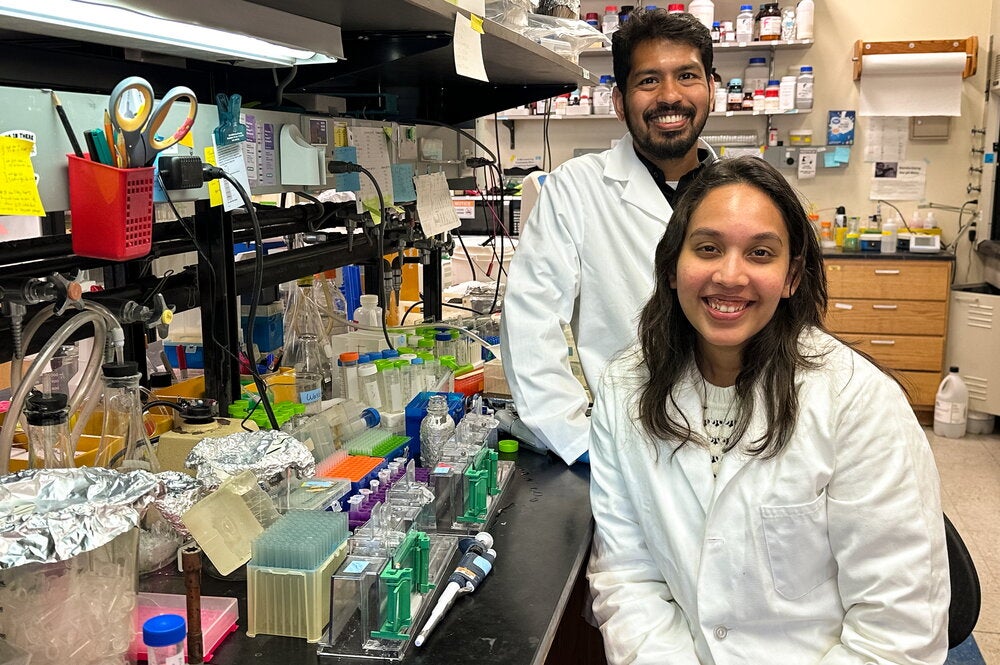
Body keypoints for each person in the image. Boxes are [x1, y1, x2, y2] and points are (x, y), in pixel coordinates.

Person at [587, 156, 950, 664]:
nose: (730, 275)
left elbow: (898, 629)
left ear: (791, 276)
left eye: (760, 253)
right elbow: (627, 575)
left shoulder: (858, 401)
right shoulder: (625, 387)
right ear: (671, 267)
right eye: (708, 248)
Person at [500, 9, 717, 465]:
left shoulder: (747, 194)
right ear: (619, 102)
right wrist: (574, 437)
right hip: (629, 446)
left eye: (687, 76)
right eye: (648, 81)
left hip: (743, 440)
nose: (670, 96)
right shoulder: (575, 189)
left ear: (711, 90)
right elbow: (530, 321)